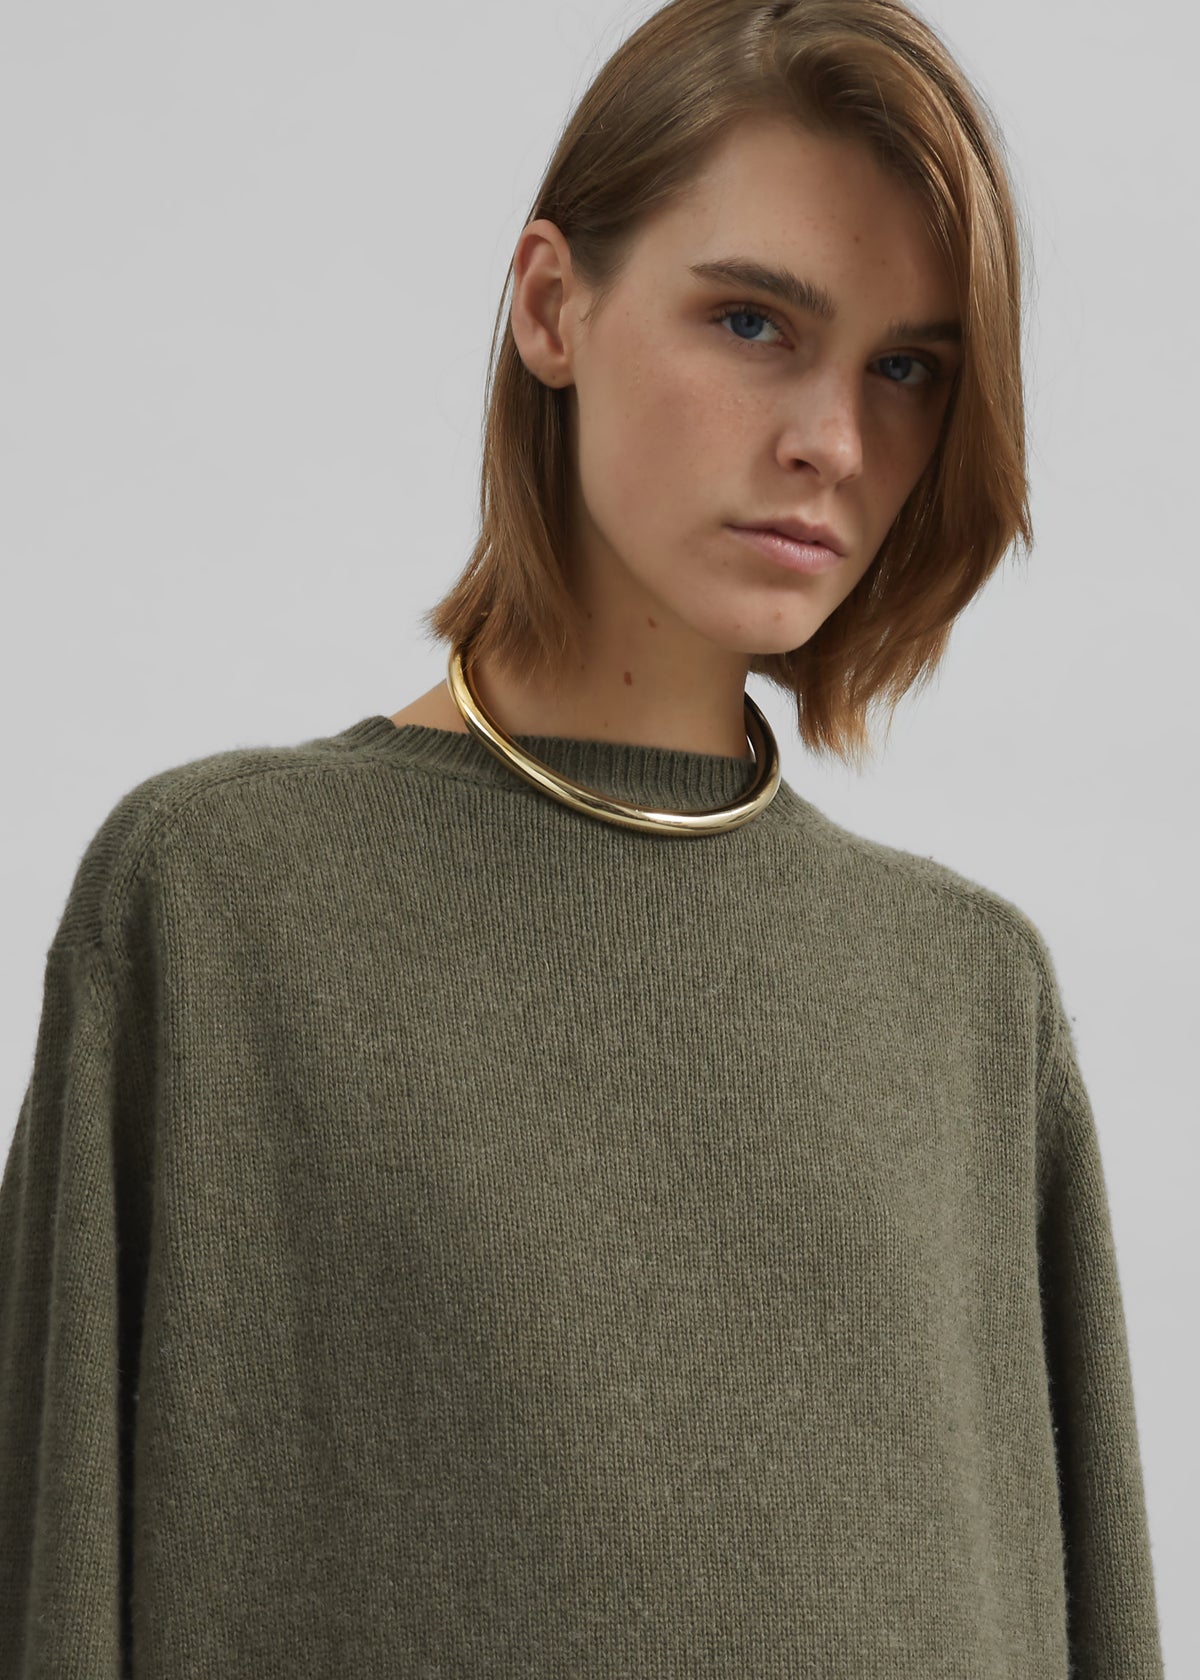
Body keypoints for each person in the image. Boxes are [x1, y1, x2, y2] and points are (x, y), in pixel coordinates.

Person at [0, 0, 1165, 1674]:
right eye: (753, 320)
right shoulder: (220, 906)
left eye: (906, 369)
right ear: (554, 306)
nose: (834, 441)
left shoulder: (969, 998)